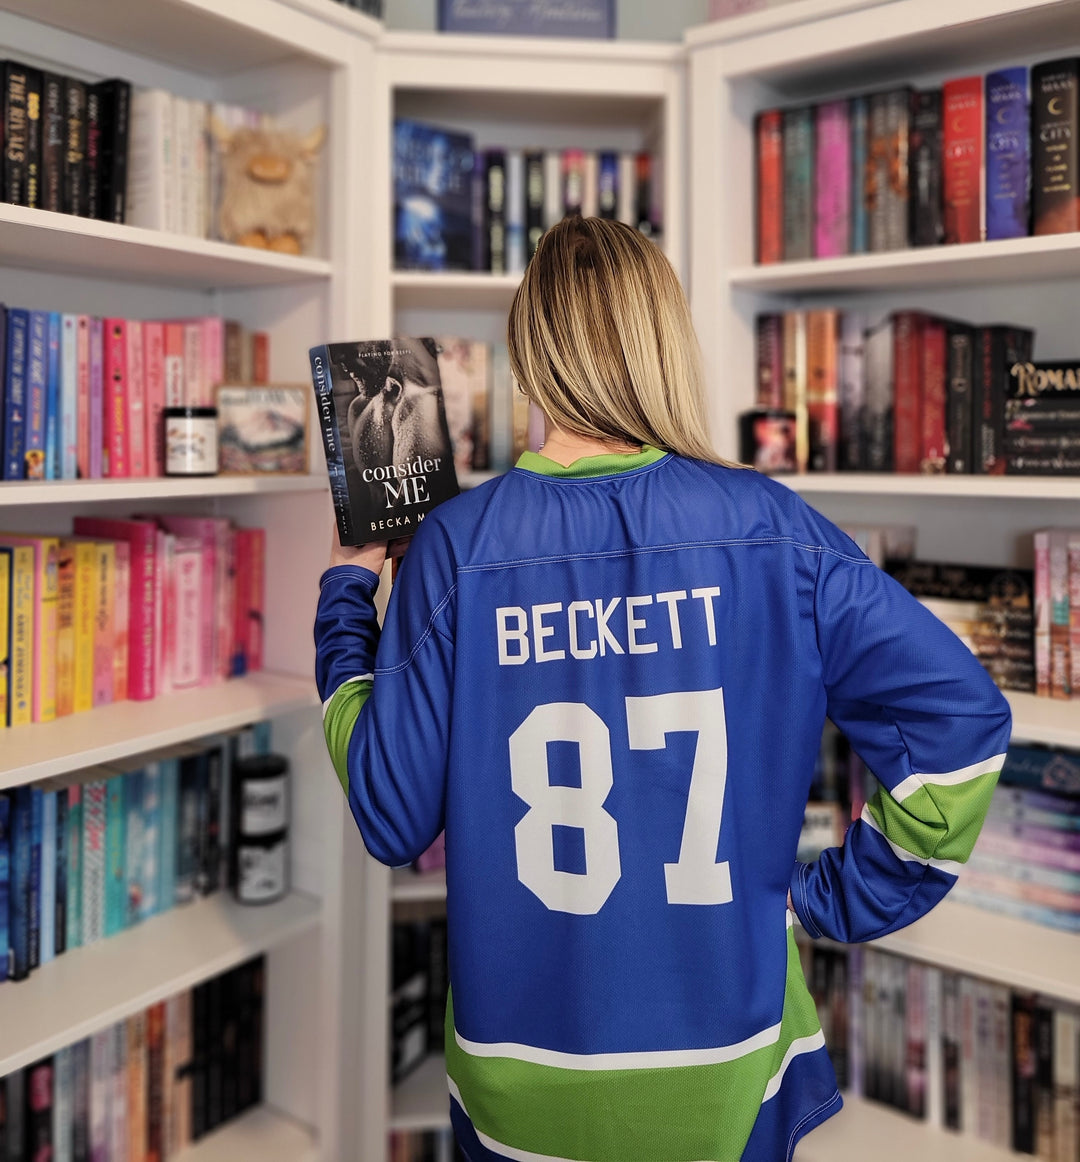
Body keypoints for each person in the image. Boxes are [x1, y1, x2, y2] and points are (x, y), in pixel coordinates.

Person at [314, 216, 1012, 1162]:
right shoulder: (770, 527)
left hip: (525, 1083)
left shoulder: (455, 545)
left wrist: (351, 594)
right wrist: (828, 902)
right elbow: (960, 728)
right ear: (664, 348)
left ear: (533, 352)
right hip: (726, 1070)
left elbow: (391, 816)